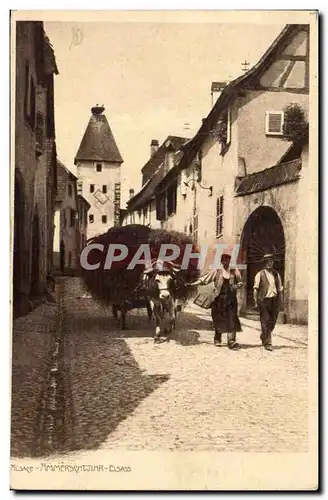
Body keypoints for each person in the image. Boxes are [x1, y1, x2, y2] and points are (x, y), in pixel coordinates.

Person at [189, 253, 243, 349]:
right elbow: (204, 279)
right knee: (218, 319)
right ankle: (217, 339)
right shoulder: (217, 271)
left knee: (232, 319)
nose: (226, 262)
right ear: (221, 261)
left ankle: (231, 341)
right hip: (219, 300)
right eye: (224, 260)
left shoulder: (235, 271)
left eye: (227, 260)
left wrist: (237, 285)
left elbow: (240, 282)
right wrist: (193, 284)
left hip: (231, 300)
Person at [253, 253, 283, 351]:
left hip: (274, 300)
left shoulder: (276, 274)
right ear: (264, 263)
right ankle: (268, 342)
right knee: (265, 321)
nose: (269, 263)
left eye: (271, 261)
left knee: (272, 321)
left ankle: (264, 336)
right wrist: (255, 302)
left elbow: (280, 289)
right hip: (264, 300)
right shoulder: (260, 274)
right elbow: (255, 289)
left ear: (273, 263)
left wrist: (280, 301)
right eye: (267, 262)